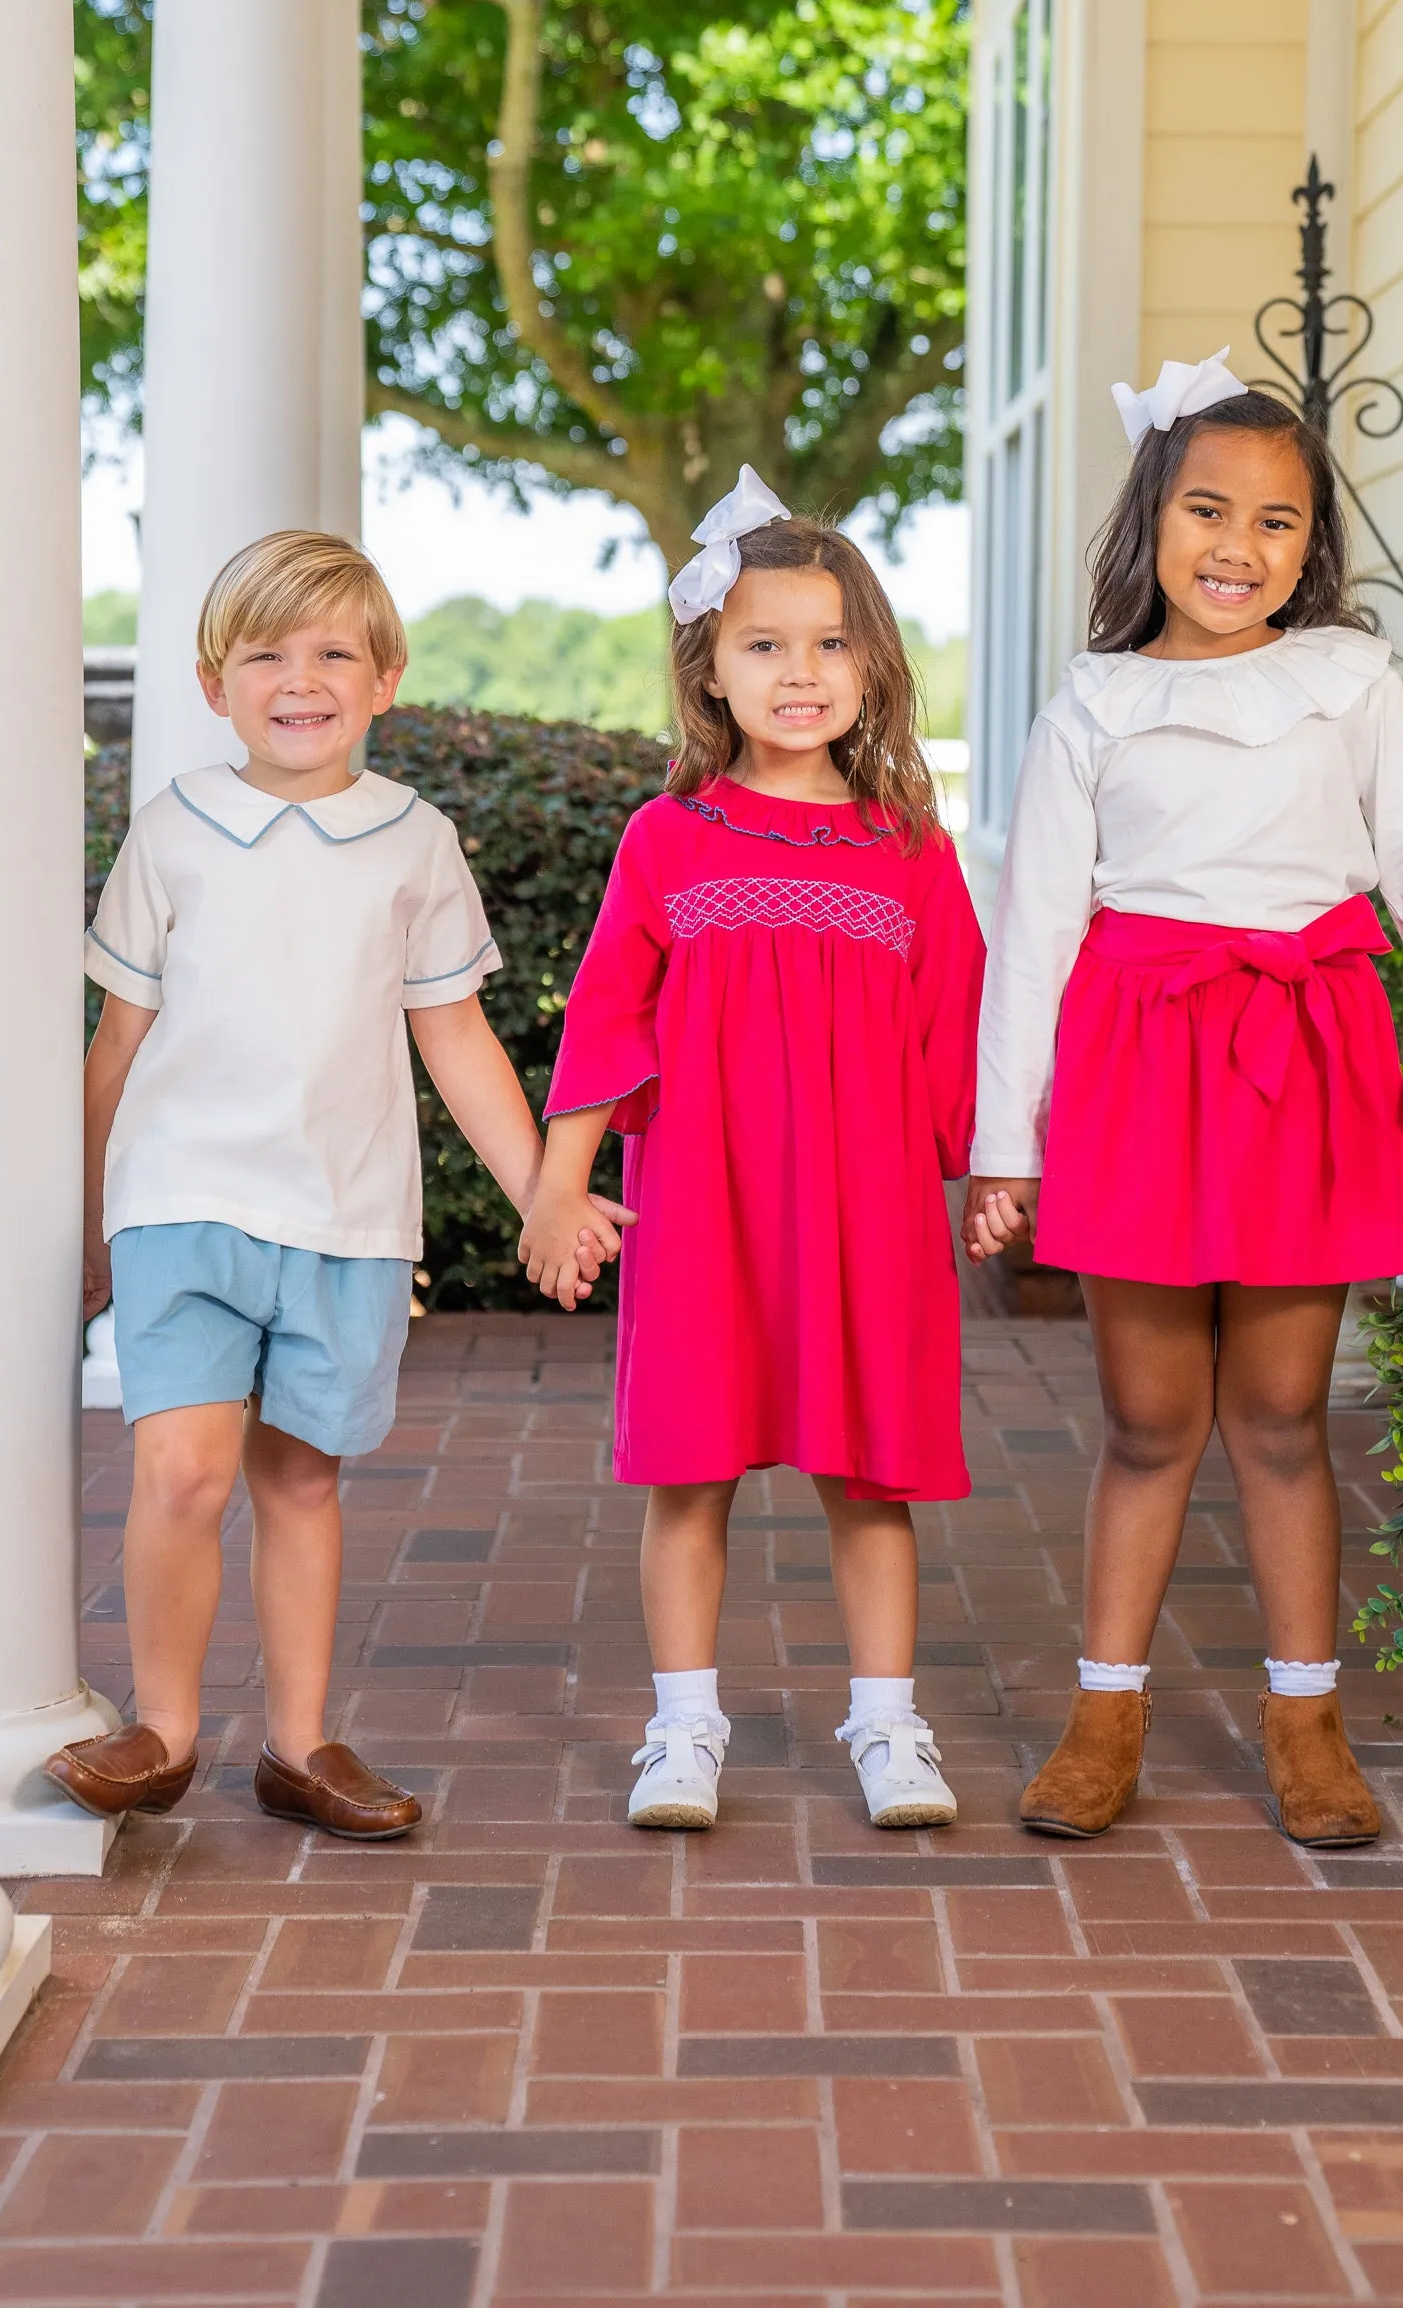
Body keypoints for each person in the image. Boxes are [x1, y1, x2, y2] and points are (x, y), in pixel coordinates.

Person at [965, 355, 1403, 1848]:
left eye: (1276, 522)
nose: (1236, 546)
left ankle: (1305, 1722)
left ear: (1311, 543)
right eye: (1206, 509)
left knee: (1278, 1417)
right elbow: (1033, 937)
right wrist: (1003, 1144)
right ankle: (1102, 1714)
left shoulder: (1346, 679)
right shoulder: (1097, 700)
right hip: (1140, 1067)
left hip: (1308, 1060)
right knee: (1148, 1422)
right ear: (1149, 520)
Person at [50, 531, 620, 1838]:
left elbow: (455, 1035)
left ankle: (300, 1747)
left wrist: (543, 1189)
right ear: (213, 683)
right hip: (179, 1202)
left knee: (301, 1479)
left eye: (330, 655)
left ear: (384, 679)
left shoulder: (414, 844)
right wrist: (85, 1216)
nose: (298, 681)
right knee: (182, 1473)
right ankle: (166, 1730)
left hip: (349, 1216)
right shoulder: (171, 835)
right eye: (265, 656)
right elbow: (116, 1044)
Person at [520, 470, 985, 1831]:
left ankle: (888, 1725)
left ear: (873, 665)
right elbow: (605, 1022)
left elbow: (952, 1029)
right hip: (708, 1209)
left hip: (867, 1210)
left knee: (870, 1477)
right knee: (689, 1471)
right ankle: (681, 1730)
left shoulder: (908, 850)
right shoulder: (669, 840)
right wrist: (559, 1185)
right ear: (708, 671)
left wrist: (989, 1175)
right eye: (764, 644)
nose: (801, 672)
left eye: (831, 642)